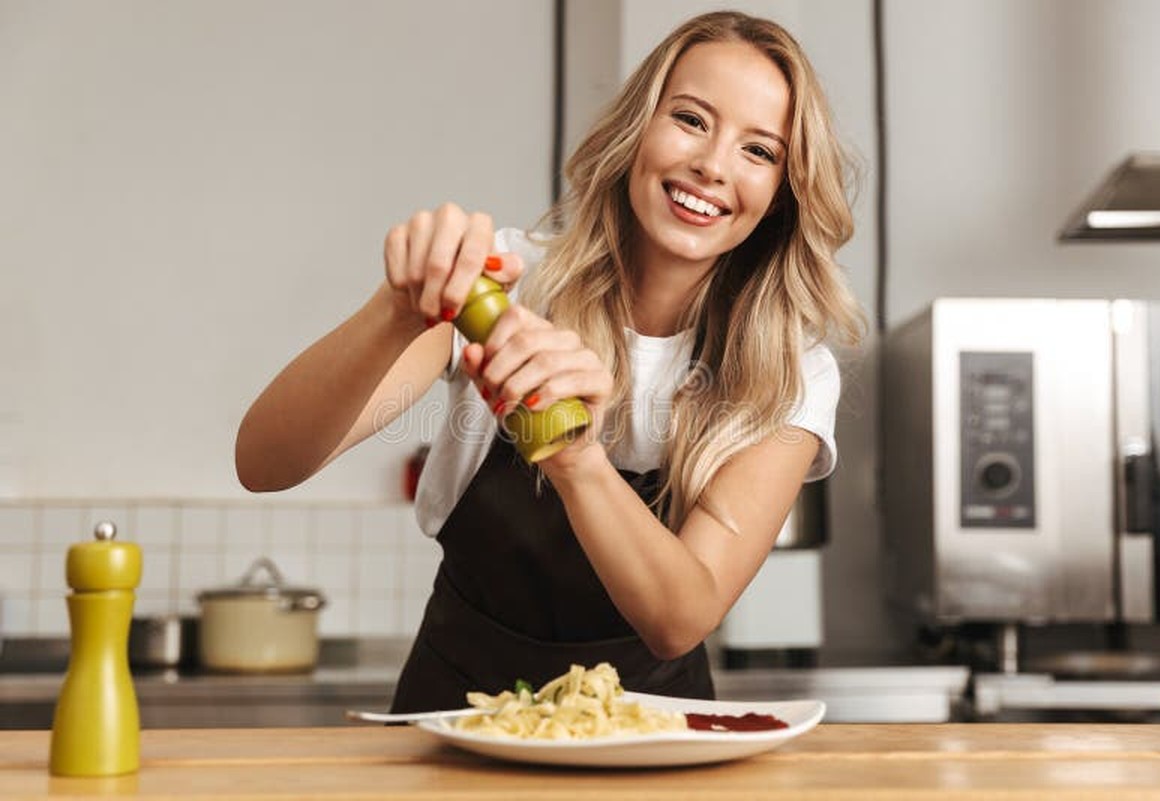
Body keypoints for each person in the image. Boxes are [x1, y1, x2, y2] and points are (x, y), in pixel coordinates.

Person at [235, 10, 864, 711]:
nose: (712, 166)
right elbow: (265, 463)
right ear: (638, 128)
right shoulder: (506, 283)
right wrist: (395, 312)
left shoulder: (789, 373)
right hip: (449, 720)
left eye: (759, 151)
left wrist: (577, 461)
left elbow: (679, 618)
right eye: (690, 119)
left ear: (783, 191)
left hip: (649, 738)